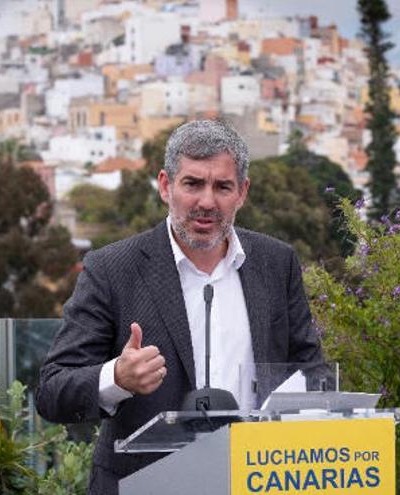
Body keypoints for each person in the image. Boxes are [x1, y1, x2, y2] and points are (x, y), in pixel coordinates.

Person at [36, 119, 325, 494]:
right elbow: (52, 390)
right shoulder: (111, 269)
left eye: (223, 186)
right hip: (145, 483)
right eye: (192, 184)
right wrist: (116, 378)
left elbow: (310, 370)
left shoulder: (276, 263)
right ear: (165, 185)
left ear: (243, 192)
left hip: (255, 480)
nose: (207, 202)